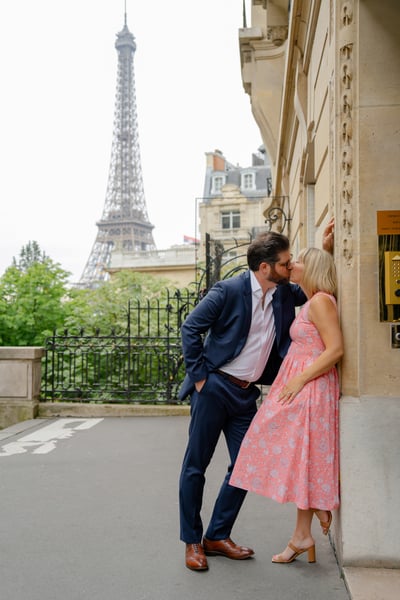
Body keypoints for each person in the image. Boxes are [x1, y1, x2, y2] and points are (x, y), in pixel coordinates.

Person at [178, 223, 334, 571]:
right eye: (285, 263)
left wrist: (328, 250)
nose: (291, 267)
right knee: (195, 466)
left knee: (245, 467)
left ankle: (217, 535)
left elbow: (315, 284)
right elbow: (190, 328)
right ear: (265, 267)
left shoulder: (284, 293)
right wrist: (201, 379)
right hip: (215, 388)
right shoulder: (227, 291)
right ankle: (192, 541)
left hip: (247, 395)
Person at [230, 247, 343, 565]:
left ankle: (311, 515)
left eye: (298, 261)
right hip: (301, 384)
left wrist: (298, 380)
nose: (291, 264)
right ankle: (303, 531)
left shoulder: (320, 301)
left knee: (291, 446)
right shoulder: (312, 299)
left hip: (309, 385)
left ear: (312, 268)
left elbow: (335, 349)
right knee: (300, 453)